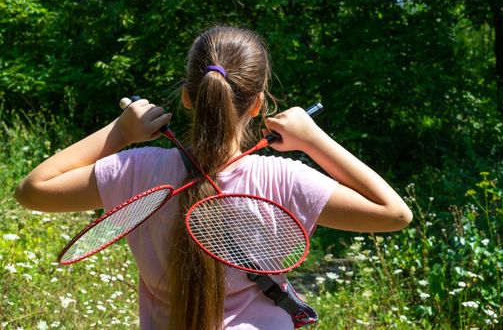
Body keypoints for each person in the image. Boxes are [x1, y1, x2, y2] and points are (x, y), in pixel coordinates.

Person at [14, 26, 412, 330]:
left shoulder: (135, 169)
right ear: (257, 104)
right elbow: (394, 214)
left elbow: (34, 190)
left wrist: (120, 131)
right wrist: (314, 140)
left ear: (188, 96)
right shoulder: (284, 179)